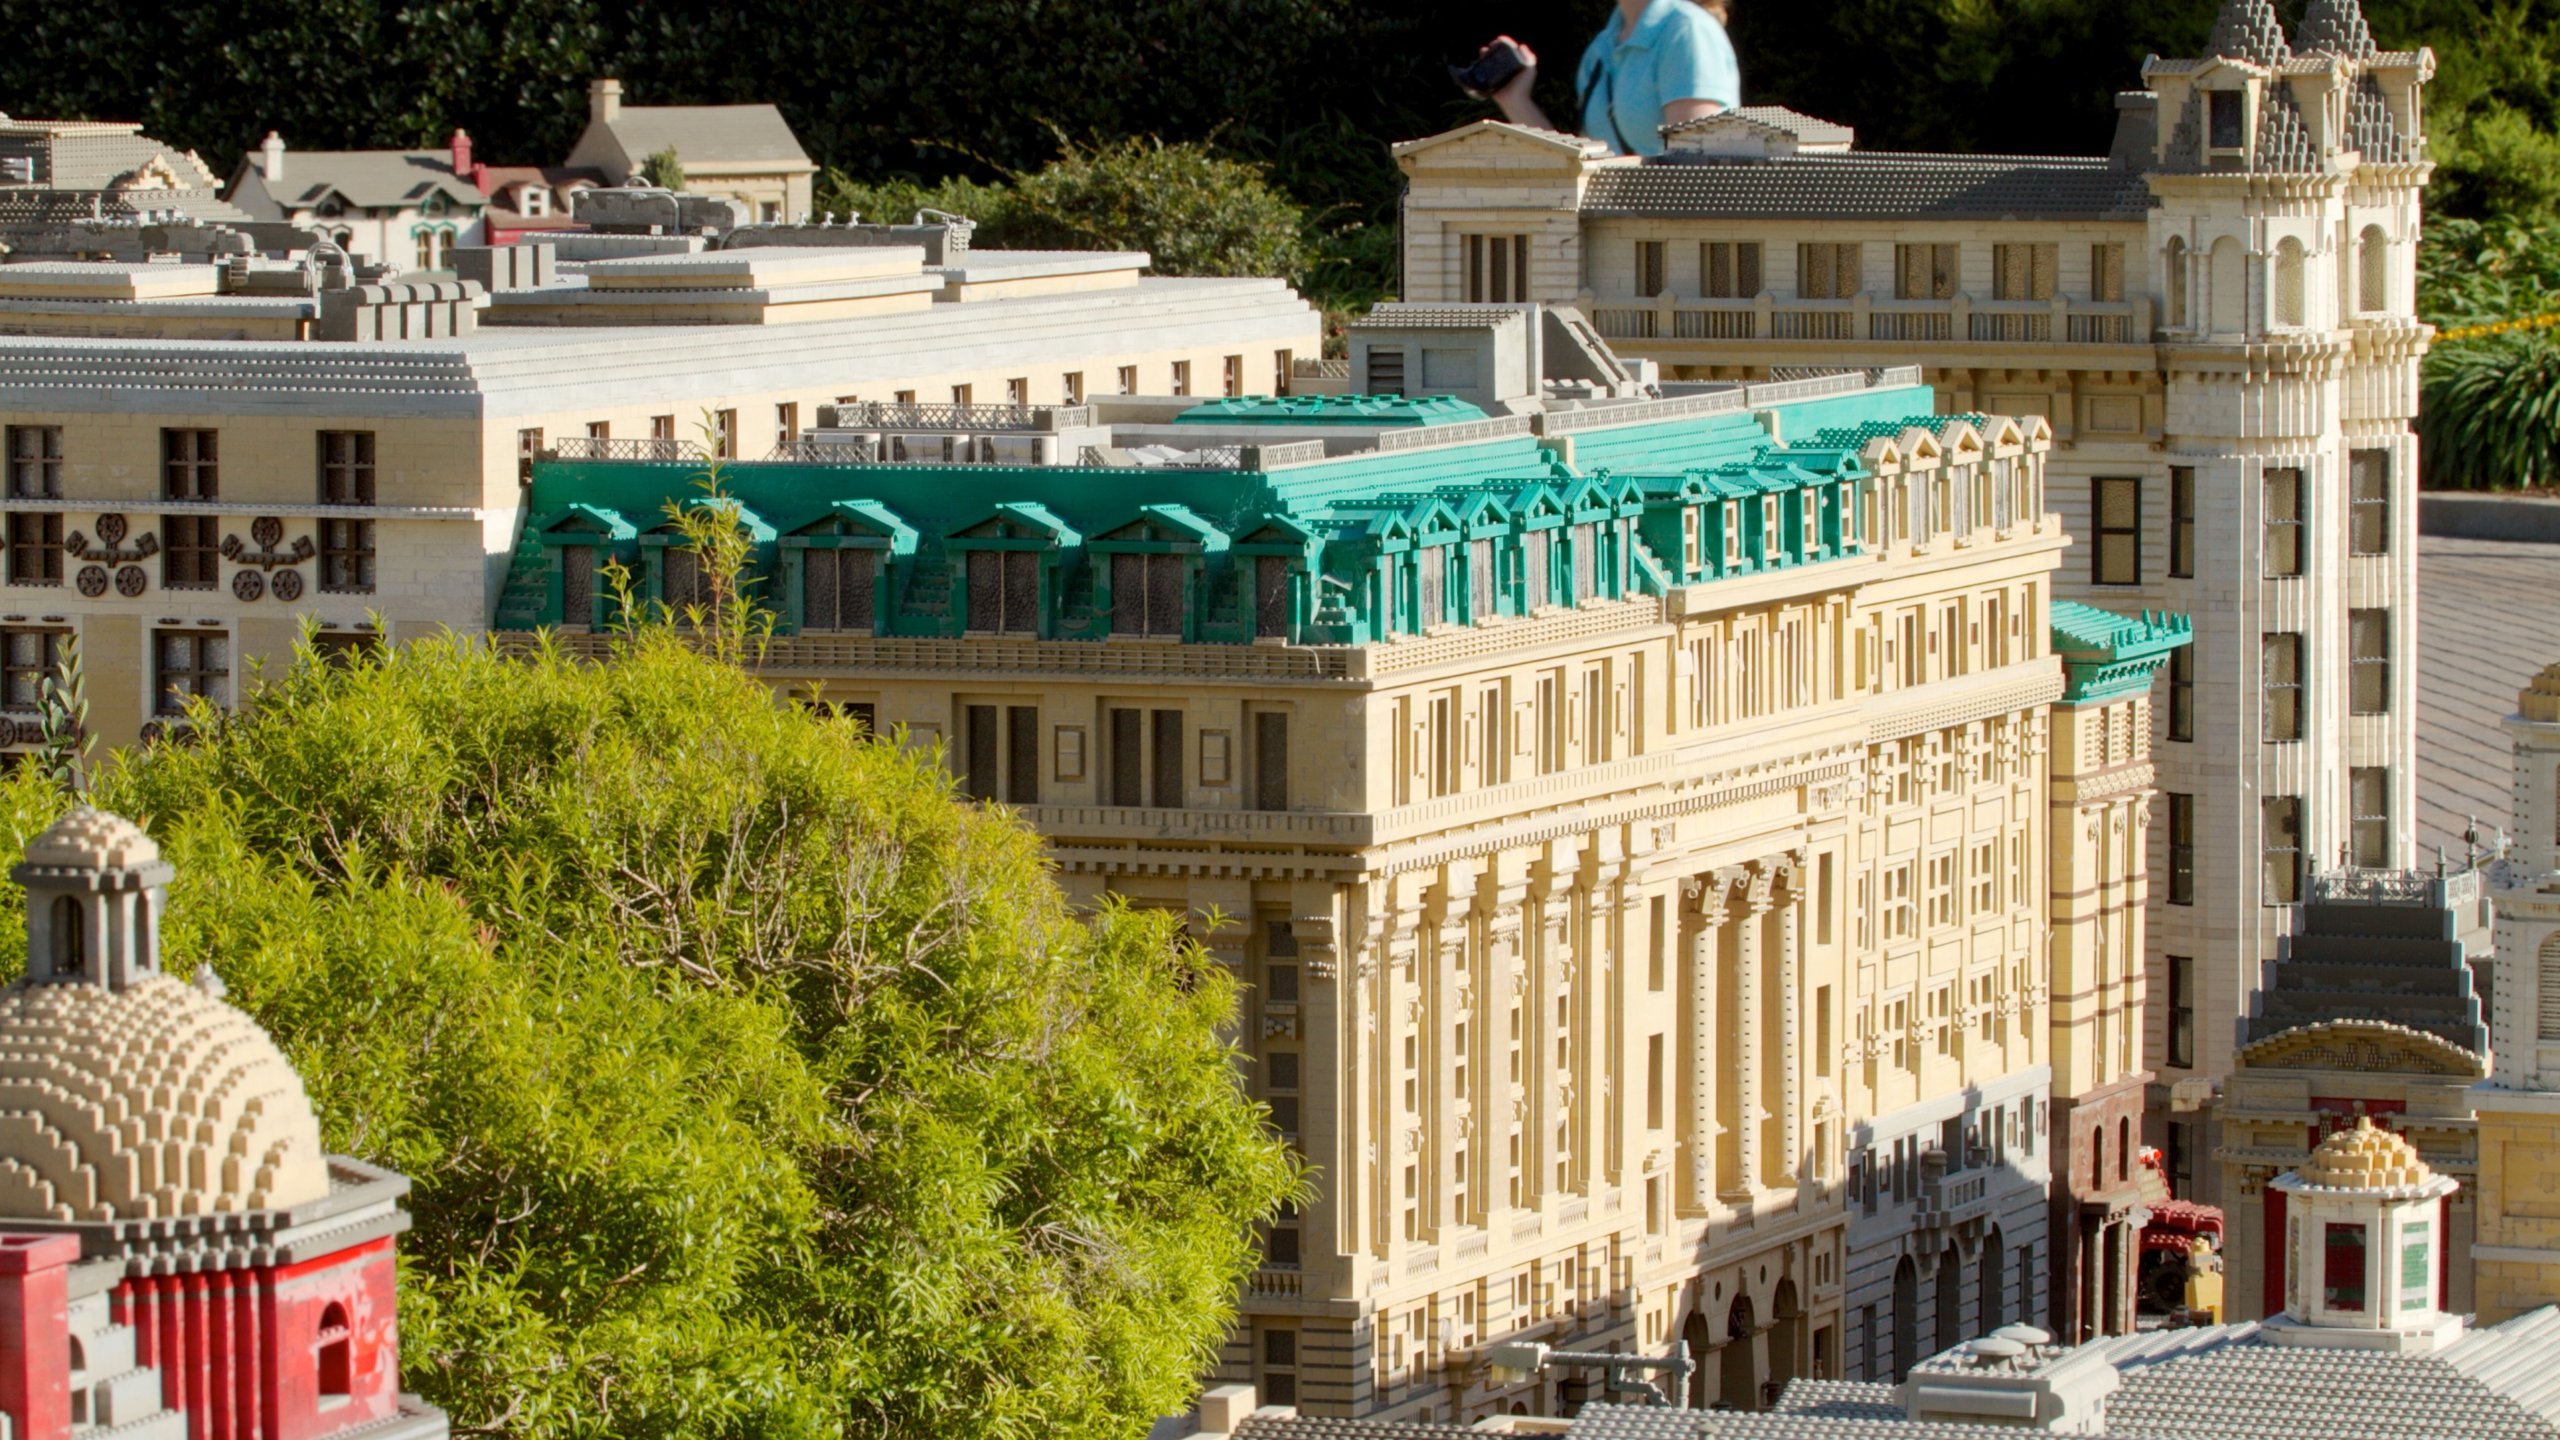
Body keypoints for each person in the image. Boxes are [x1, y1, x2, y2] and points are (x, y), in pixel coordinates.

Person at [1481, 0, 1740, 157]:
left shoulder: (1687, 32)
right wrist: (1515, 100)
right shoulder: (1600, 50)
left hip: (1675, 243)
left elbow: (1696, 171)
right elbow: (1583, 172)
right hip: (1621, 240)